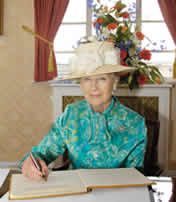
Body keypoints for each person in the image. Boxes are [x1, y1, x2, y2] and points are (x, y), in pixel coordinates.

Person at [20, 40, 147, 181]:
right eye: (87, 79)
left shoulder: (135, 123)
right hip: (76, 191)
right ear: (81, 83)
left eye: (102, 79)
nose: (93, 87)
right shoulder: (71, 115)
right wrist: (33, 162)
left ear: (115, 82)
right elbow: (42, 152)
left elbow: (135, 178)